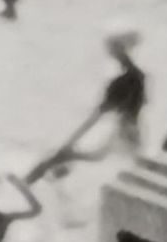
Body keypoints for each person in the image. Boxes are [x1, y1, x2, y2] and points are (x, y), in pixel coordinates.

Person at [31, 28, 149, 179]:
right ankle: (53, 168)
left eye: (113, 49)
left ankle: (48, 170)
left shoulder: (125, 81)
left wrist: (71, 142)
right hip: (127, 129)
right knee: (103, 158)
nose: (111, 53)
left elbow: (98, 114)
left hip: (124, 130)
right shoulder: (136, 78)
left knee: (98, 157)